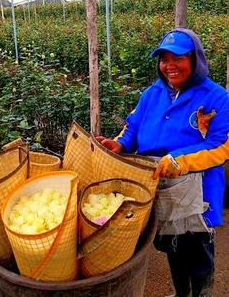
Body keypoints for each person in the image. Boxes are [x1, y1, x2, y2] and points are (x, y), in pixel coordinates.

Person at [96, 28, 229, 297]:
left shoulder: (216, 97)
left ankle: (201, 294)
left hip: (195, 190)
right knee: (171, 243)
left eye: (178, 58)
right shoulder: (152, 93)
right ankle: (182, 294)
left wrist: (178, 160)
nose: (169, 66)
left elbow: (221, 146)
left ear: (195, 60)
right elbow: (132, 126)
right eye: (163, 59)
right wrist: (119, 143)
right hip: (158, 181)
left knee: (197, 247)